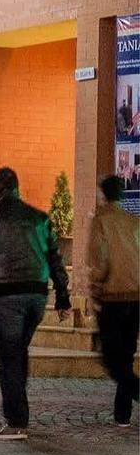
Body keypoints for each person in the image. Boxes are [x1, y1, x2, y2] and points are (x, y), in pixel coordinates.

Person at [0, 165, 71, 441]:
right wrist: (62, 296)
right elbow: (55, 258)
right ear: (17, 186)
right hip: (36, 294)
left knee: (9, 356)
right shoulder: (39, 217)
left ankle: (16, 421)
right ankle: (19, 411)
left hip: (7, 294)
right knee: (20, 351)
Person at [87, 173, 139, 428]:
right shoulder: (133, 221)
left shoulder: (101, 221)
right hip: (136, 297)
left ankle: (132, 398)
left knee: (110, 358)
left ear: (103, 194)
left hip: (113, 297)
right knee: (126, 356)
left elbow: (99, 261)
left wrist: (95, 292)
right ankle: (122, 414)